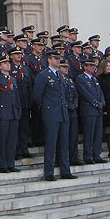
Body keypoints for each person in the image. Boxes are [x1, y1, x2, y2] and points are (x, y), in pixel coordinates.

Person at [32, 50, 77, 181]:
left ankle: (65, 170)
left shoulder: (60, 75)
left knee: (64, 144)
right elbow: (37, 96)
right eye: (55, 58)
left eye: (59, 58)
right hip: (51, 113)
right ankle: (49, 172)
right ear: (49, 60)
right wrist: (47, 108)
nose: (58, 60)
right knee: (51, 144)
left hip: (62, 113)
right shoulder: (43, 75)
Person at [0, 55, 21, 173]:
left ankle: (10, 163)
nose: (8, 64)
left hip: (13, 113)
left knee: (12, 140)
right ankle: (3, 164)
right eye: (4, 63)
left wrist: (18, 111)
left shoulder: (12, 79)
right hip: (3, 113)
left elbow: (16, 98)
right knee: (2, 140)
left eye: (8, 62)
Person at [76, 58, 106, 164]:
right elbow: (85, 94)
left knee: (98, 134)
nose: (94, 67)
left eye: (94, 66)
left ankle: (96, 154)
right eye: (91, 66)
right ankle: (88, 155)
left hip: (98, 111)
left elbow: (100, 92)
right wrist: (96, 103)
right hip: (89, 110)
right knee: (89, 134)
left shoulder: (94, 79)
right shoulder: (81, 78)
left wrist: (102, 102)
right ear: (85, 67)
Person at [9, 47, 33, 159]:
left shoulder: (25, 69)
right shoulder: (10, 69)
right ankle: (16, 151)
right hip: (14, 103)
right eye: (16, 54)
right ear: (11, 56)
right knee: (15, 128)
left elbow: (29, 86)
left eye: (20, 54)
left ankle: (24, 149)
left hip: (25, 102)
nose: (19, 56)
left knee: (25, 127)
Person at [58, 59, 81, 166]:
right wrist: (67, 105)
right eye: (64, 67)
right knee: (64, 137)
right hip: (64, 111)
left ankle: (74, 158)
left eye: (67, 67)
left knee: (73, 136)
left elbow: (76, 94)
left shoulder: (70, 80)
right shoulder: (59, 79)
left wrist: (75, 105)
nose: (67, 69)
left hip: (73, 111)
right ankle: (62, 159)